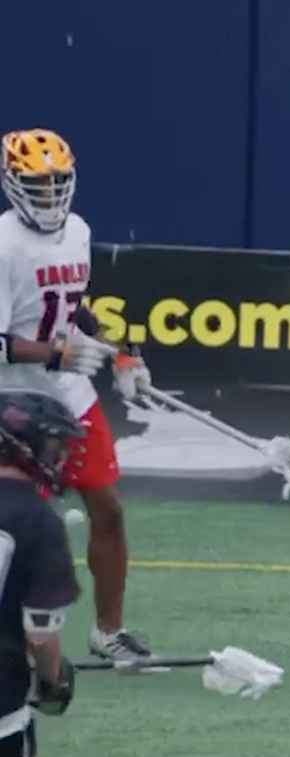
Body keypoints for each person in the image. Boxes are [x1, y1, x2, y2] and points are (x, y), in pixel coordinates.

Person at [0, 128, 154, 663]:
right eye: (37, 186)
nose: (49, 196)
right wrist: (55, 355)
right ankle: (20, 639)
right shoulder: (3, 245)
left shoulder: (79, 231)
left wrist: (119, 352)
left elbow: (70, 308)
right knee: (24, 526)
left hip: (70, 395)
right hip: (13, 404)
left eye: (56, 184)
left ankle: (109, 631)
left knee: (107, 510)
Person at [0, 367, 84, 757]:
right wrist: (53, 680)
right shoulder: (37, 520)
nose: (60, 456)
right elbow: (42, 634)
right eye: (53, 444)